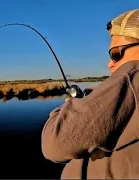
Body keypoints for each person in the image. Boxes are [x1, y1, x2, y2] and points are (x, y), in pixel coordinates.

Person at [41, 9, 139, 179]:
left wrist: (68, 106)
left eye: (116, 54)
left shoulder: (131, 74)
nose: (110, 63)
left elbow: (54, 143)